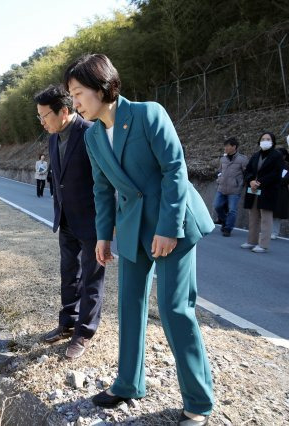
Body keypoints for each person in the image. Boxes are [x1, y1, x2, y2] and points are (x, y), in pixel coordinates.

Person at [64, 54, 214, 426]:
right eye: (71, 95)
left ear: (103, 87)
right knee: (129, 305)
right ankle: (128, 383)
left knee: (175, 309)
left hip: (173, 223)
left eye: (79, 93)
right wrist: (103, 236)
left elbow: (175, 169)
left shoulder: (148, 114)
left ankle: (199, 402)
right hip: (132, 228)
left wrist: (169, 227)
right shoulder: (94, 137)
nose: (75, 103)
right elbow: (102, 189)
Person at [34, 84, 105, 359]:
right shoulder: (52, 138)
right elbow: (58, 179)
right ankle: (67, 322)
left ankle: (84, 332)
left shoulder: (91, 133)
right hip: (65, 218)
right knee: (69, 273)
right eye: (38, 117)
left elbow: (105, 180)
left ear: (64, 111)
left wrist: (106, 224)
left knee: (91, 278)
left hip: (92, 220)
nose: (42, 122)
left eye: (45, 116)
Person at [240, 132, 284, 253]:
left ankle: (263, 244)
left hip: (268, 190)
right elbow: (247, 170)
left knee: (266, 218)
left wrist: (259, 182)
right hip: (253, 190)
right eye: (263, 139)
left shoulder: (277, 156)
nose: (265, 141)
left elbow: (276, 173)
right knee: (253, 216)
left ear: (273, 142)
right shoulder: (255, 155)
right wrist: (250, 181)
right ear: (259, 141)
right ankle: (251, 241)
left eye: (268, 139)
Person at [213, 137, 248, 237]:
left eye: (227, 146)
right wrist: (219, 179)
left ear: (234, 147)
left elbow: (247, 173)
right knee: (217, 206)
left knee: (232, 210)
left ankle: (228, 229)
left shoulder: (242, 159)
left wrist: (240, 184)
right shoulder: (223, 159)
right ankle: (224, 220)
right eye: (225, 146)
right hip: (221, 188)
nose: (225, 148)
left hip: (235, 189)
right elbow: (219, 171)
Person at [272, 146, 289, 239]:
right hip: (270, 190)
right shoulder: (272, 164)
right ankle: (267, 230)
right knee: (267, 211)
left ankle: (275, 232)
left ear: (284, 156)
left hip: (281, 192)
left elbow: (286, 179)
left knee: (277, 213)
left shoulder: (287, 166)